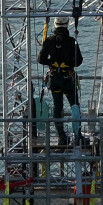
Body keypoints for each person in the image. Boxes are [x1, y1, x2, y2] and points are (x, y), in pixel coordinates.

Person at [37, 16, 84, 146]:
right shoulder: (71, 41)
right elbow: (78, 61)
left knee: (58, 108)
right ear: (67, 24)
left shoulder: (48, 41)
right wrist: (68, 63)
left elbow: (41, 59)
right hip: (68, 78)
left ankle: (61, 137)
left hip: (55, 79)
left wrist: (52, 62)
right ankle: (78, 135)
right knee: (75, 106)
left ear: (55, 24)